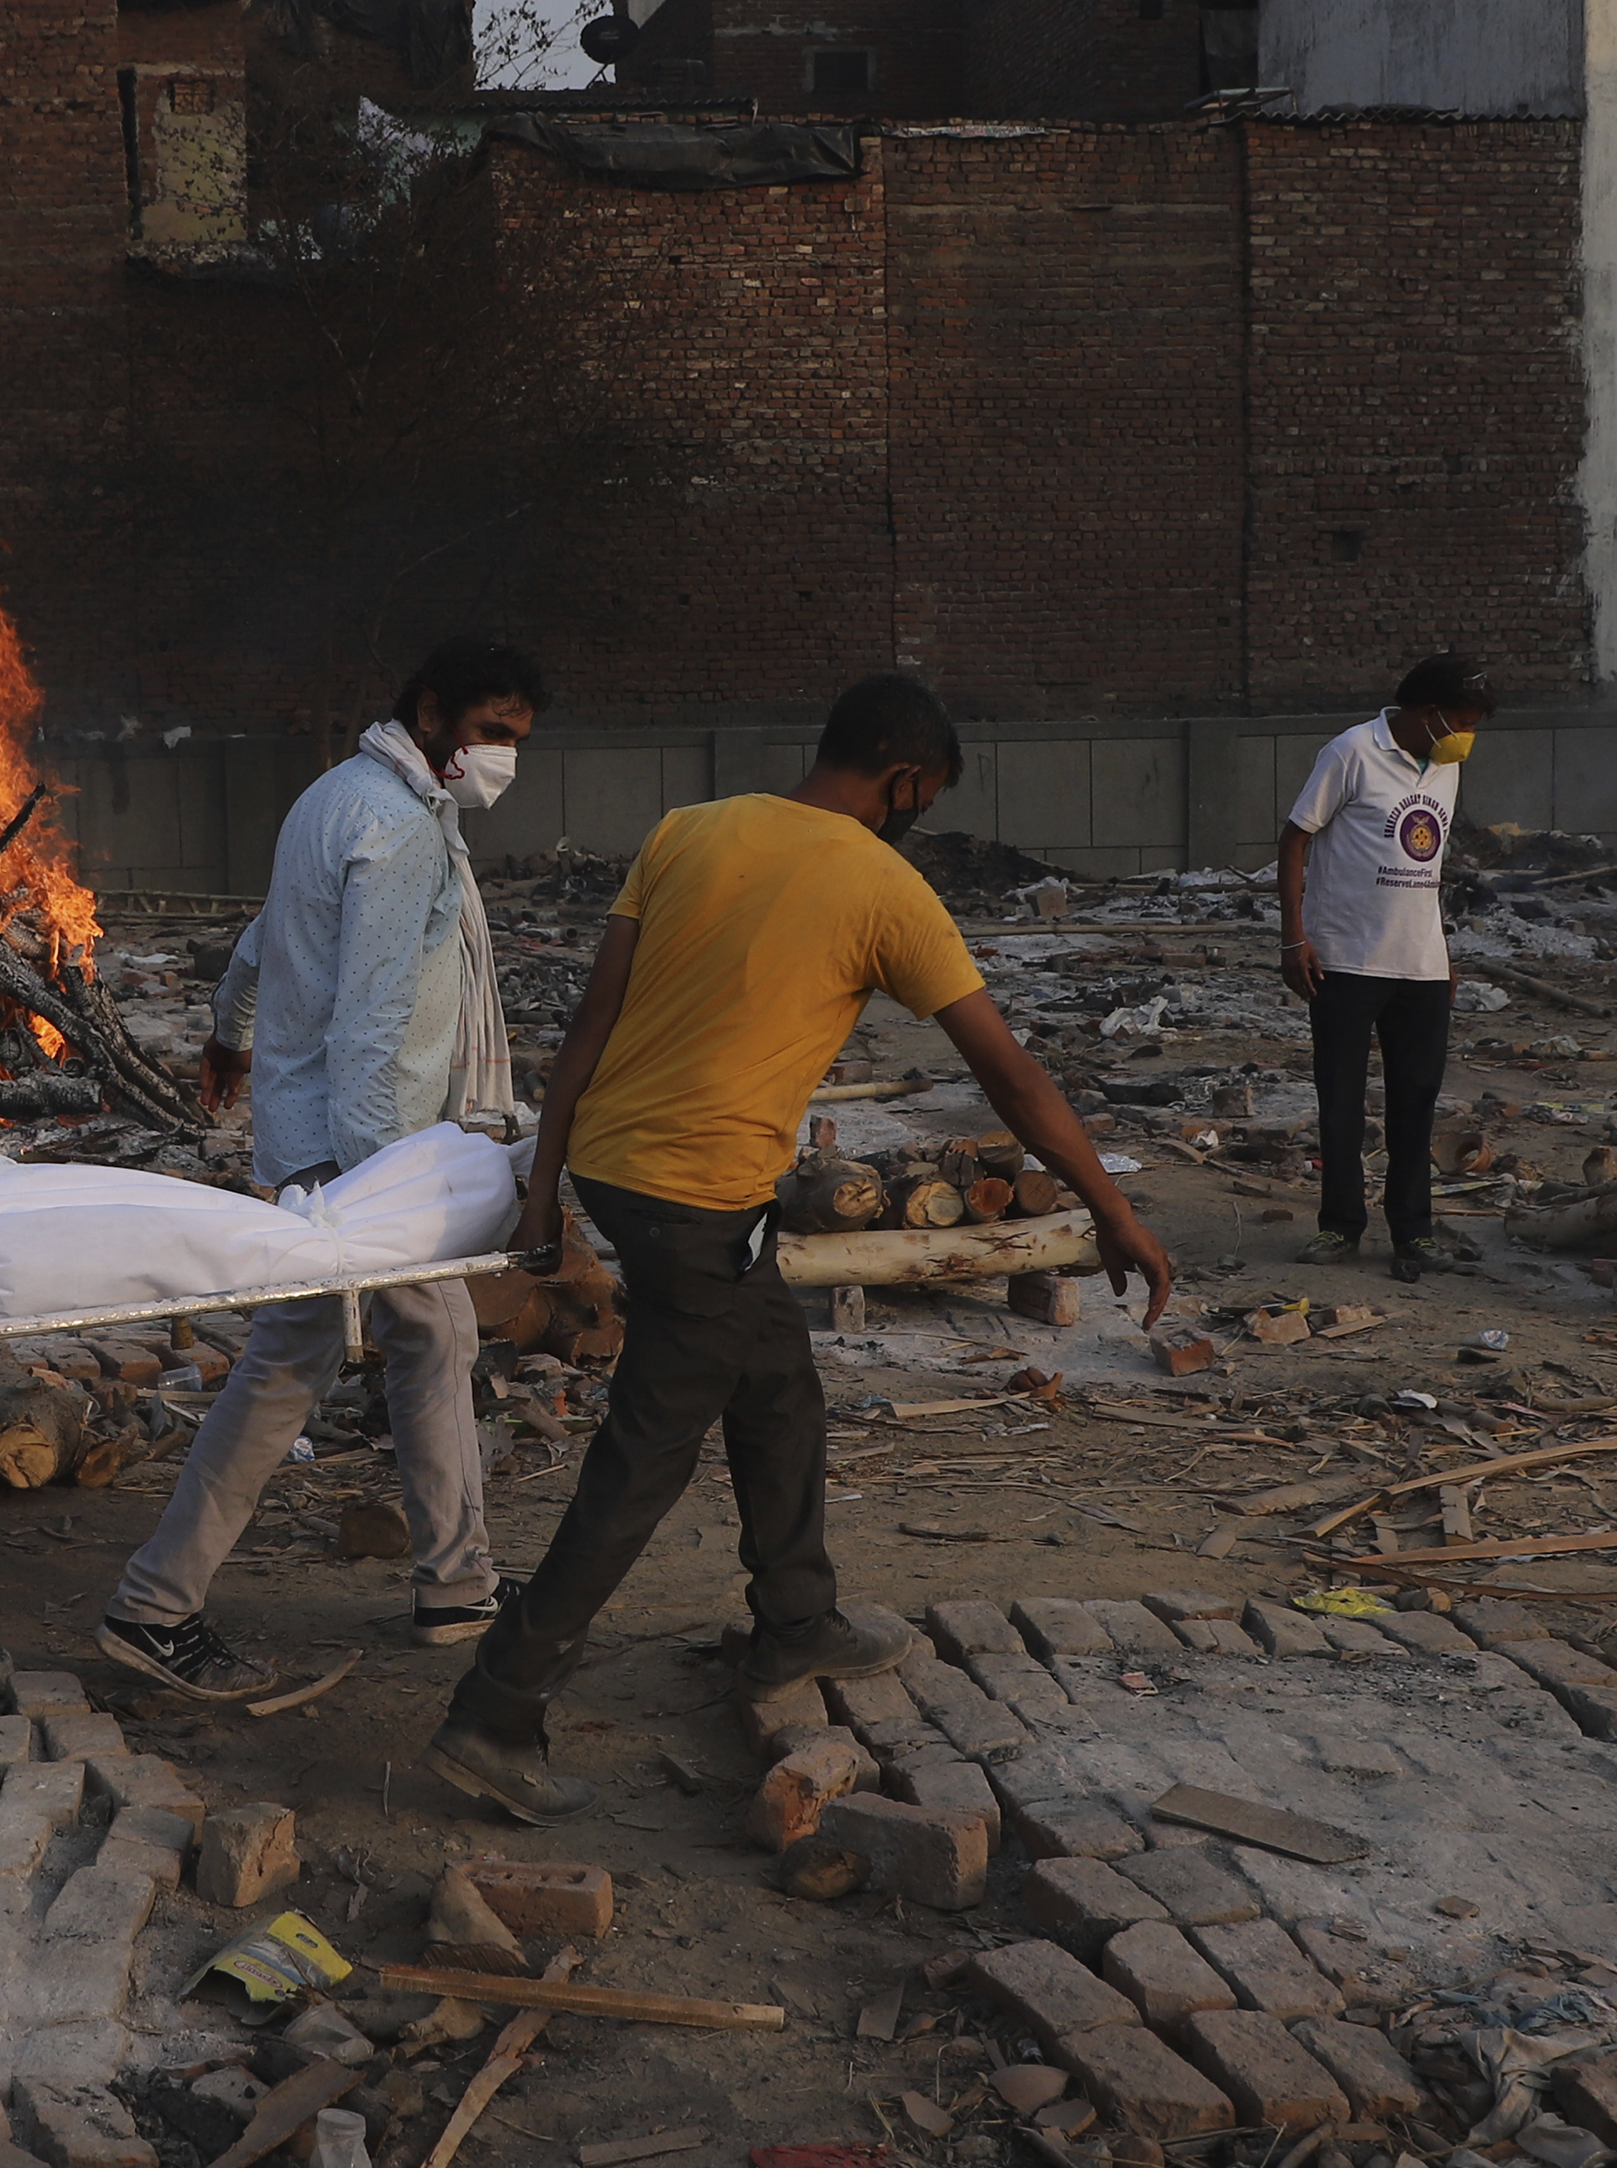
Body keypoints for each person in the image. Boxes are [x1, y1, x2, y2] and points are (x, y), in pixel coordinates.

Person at [423, 672, 1178, 1824]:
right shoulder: (886, 887)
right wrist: (1108, 1213)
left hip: (621, 1168)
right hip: (696, 1200)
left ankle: (795, 1617)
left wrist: (541, 1187)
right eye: (922, 794)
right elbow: (1009, 1077)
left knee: (776, 1383)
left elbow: (589, 1020)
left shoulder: (689, 830)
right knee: (642, 1460)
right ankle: (493, 1712)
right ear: (907, 781)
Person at [94, 640, 546, 1698]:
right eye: (488, 732)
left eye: (516, 740)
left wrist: (227, 1029)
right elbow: (374, 1026)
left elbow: (266, 935)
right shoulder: (397, 831)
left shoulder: (335, 797)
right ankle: (154, 1607)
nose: (499, 758)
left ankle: (455, 1586)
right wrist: (381, 1198)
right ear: (430, 712)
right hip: (363, 1151)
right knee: (296, 1362)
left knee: (426, 1342)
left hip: (321, 1144)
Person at [1278, 653, 1486, 1283]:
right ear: (1426, 713)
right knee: (1340, 1100)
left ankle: (1413, 1231)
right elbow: (1294, 838)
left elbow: (1429, 872)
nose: (1467, 736)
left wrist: (1443, 954)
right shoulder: (1351, 752)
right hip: (1344, 957)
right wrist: (1294, 939)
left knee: (1415, 1102)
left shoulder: (1444, 768)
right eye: (1461, 721)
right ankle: (1340, 1225)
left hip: (1418, 964)